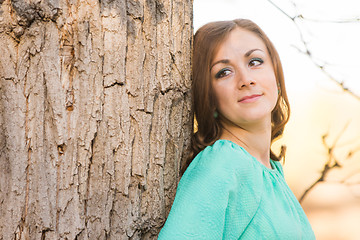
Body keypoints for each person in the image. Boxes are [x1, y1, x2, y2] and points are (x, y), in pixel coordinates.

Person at [158, 19, 315, 239]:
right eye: (224, 72)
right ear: (208, 96)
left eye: (255, 61)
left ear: (276, 76)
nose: (246, 79)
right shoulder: (223, 163)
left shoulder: (271, 171)